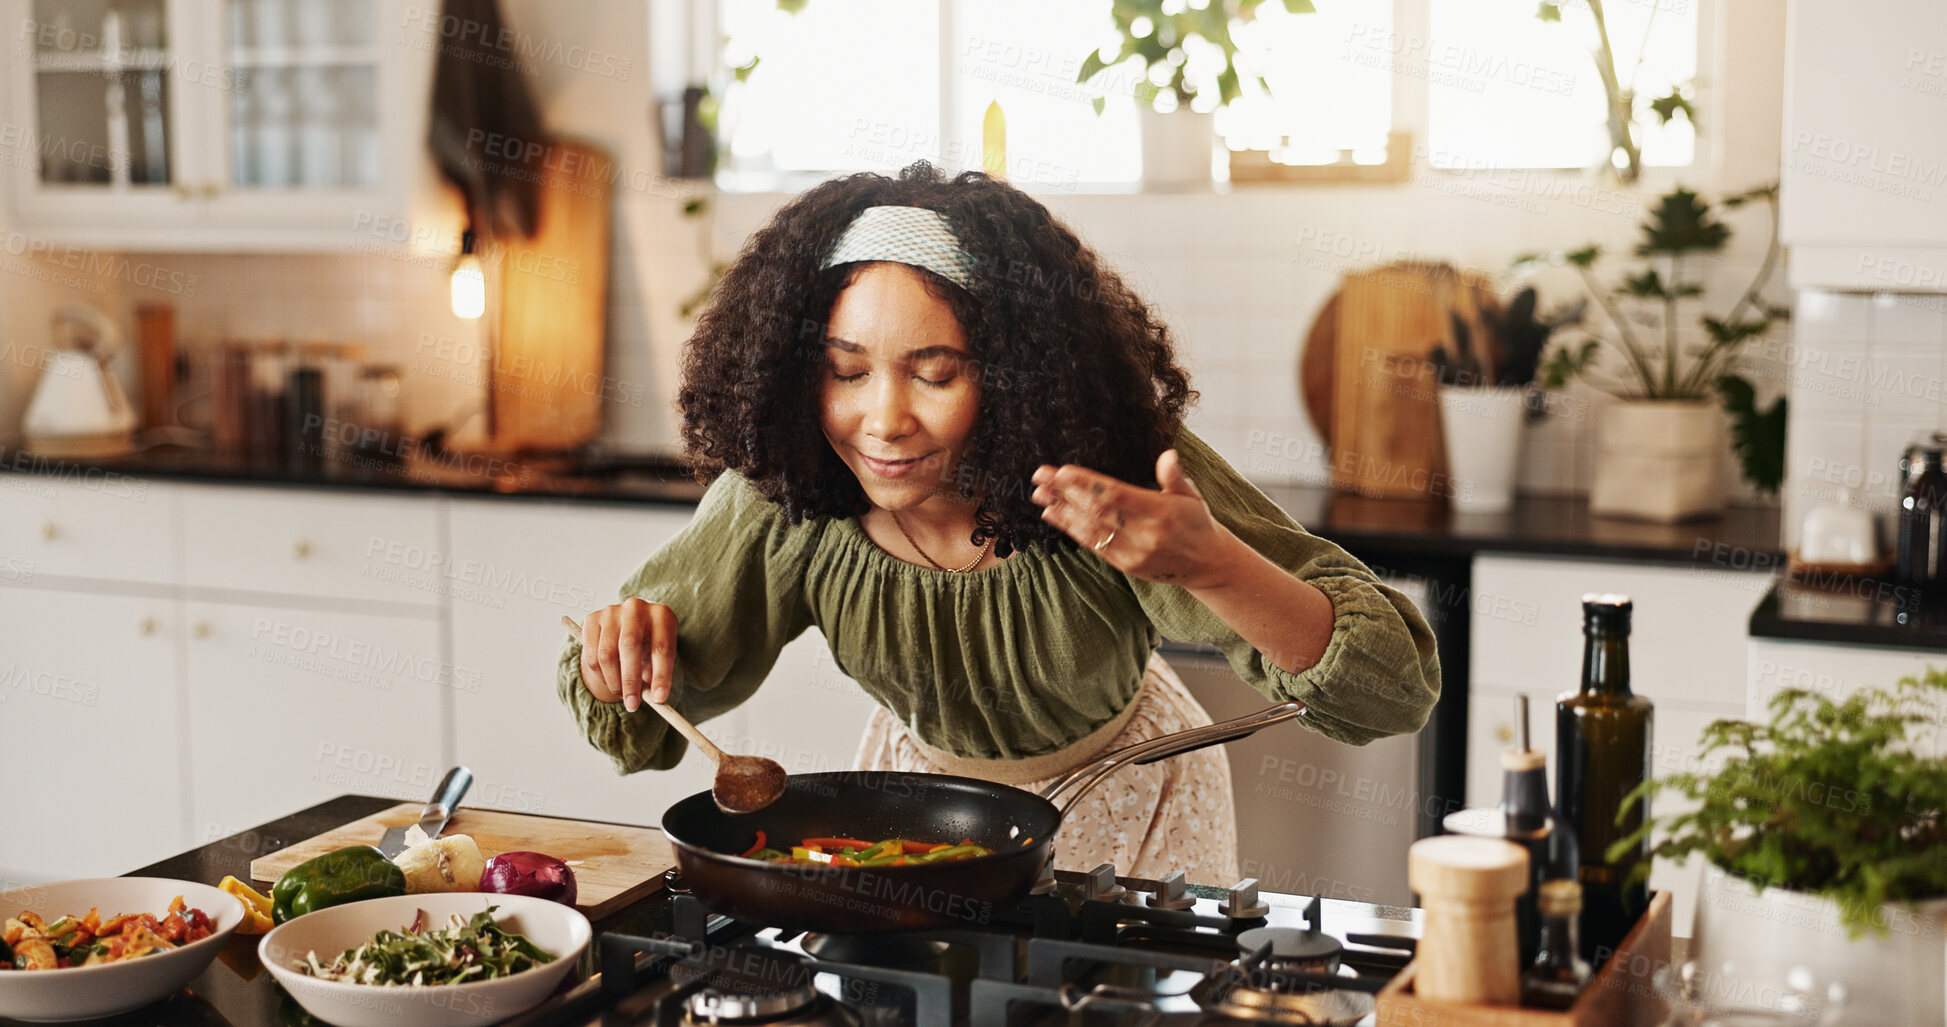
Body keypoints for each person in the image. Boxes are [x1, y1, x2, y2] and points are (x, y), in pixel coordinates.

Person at [560, 162, 1439, 885]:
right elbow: (641, 715)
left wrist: (1213, 566)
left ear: (1015, 373)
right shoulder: (792, 493)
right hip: (915, 813)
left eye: (934, 371)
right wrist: (620, 660)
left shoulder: (1110, 464)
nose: (883, 419)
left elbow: (1392, 688)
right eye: (846, 370)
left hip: (1135, 798)